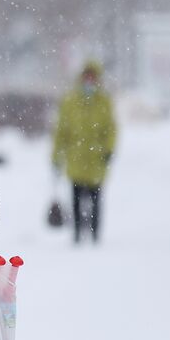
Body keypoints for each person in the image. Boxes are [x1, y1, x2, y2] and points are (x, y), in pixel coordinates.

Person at [51, 60, 118, 244]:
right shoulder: (70, 101)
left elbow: (110, 129)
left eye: (92, 77)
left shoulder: (104, 101)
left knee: (96, 199)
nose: (89, 81)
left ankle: (95, 234)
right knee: (76, 198)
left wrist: (109, 149)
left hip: (96, 159)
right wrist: (56, 155)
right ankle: (77, 234)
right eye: (86, 77)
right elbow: (61, 131)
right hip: (76, 159)